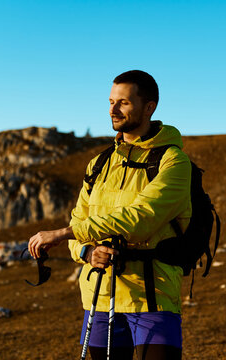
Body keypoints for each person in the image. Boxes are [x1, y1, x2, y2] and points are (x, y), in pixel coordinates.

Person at [28, 70, 191, 359]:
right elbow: (79, 222)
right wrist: (88, 252)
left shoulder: (173, 161)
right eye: (111, 101)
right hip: (100, 298)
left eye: (124, 103)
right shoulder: (99, 163)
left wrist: (65, 233)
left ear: (149, 107)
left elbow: (141, 218)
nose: (112, 110)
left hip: (154, 297)